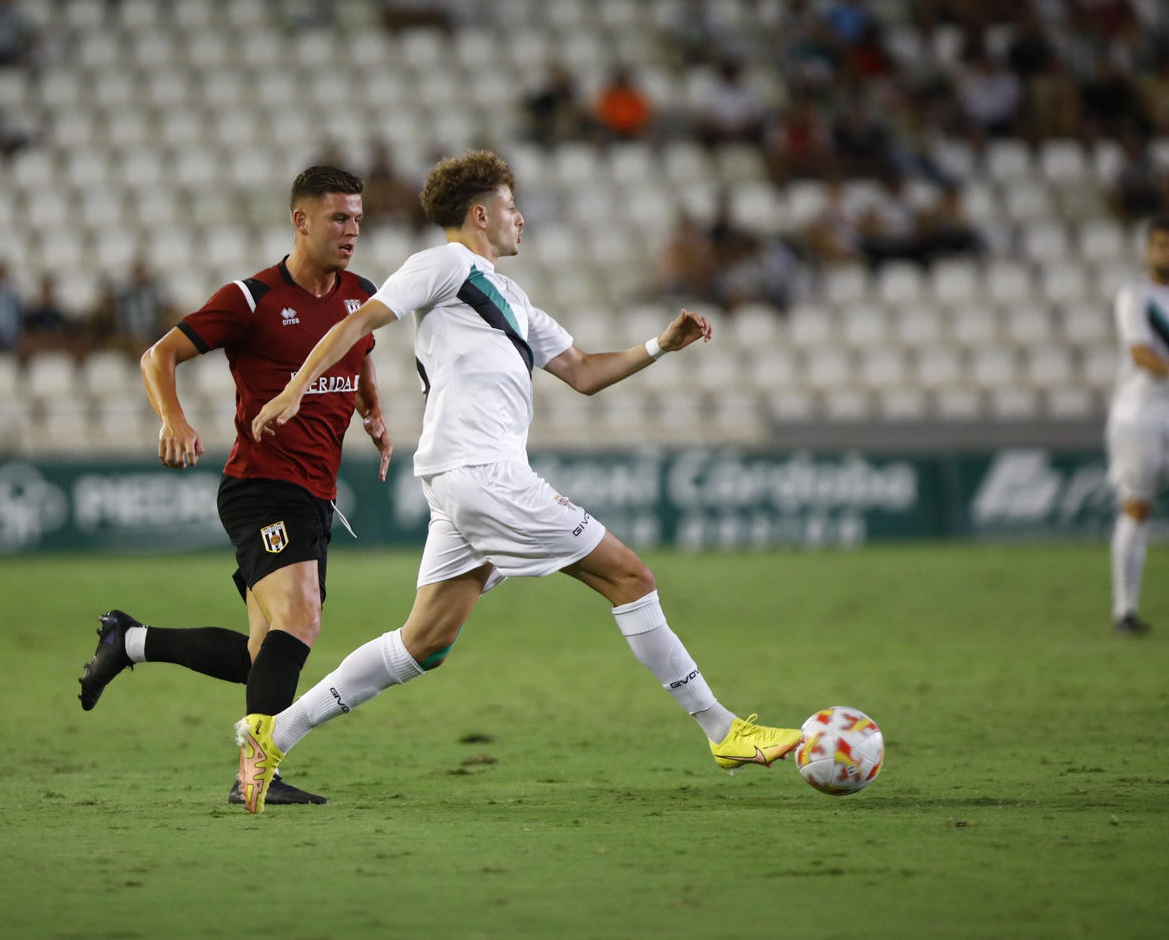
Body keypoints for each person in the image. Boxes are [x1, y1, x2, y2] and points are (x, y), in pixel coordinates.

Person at [232, 151, 802, 811]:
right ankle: (721, 729)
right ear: (480, 214)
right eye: (510, 206)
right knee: (630, 577)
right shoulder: (443, 264)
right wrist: (298, 389)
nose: (520, 218)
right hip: (481, 474)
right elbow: (358, 322)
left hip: (467, 480)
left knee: (422, 644)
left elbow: (584, 372)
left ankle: (272, 733)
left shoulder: (516, 301)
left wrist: (657, 346)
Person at [76, 167, 396, 809]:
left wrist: (372, 412)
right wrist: (174, 418)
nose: (352, 230)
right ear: (301, 221)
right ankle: (259, 775)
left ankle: (129, 640)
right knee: (301, 619)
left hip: (313, 492)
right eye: (339, 218)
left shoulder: (361, 293)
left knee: (264, 657)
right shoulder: (250, 299)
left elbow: (353, 355)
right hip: (263, 486)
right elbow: (157, 356)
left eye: (358, 218)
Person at [1105, 216, 1169, 636]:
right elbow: (1141, 352)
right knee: (1137, 506)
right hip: (1140, 416)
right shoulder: (1136, 295)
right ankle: (1125, 609)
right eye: (1160, 245)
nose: (1165, 253)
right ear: (1147, 250)